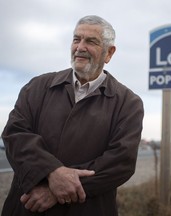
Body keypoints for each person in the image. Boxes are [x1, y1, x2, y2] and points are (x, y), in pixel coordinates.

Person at [1, 15, 144, 216]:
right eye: (77, 39)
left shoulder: (128, 103)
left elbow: (120, 162)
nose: (80, 47)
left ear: (109, 53)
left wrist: (56, 190)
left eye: (91, 41)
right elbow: (15, 135)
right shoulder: (38, 86)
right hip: (27, 207)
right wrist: (52, 173)